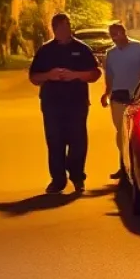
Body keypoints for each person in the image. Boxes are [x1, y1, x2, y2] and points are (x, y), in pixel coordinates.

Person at [28, 12, 101, 194]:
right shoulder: (45, 51)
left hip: (76, 103)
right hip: (52, 104)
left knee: (78, 142)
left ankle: (77, 177)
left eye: (67, 26)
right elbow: (34, 77)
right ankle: (58, 180)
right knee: (55, 142)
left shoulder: (82, 49)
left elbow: (95, 74)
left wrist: (75, 75)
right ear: (54, 30)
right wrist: (49, 75)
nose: (64, 30)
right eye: (60, 27)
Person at [100, 22, 140, 180]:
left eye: (117, 34)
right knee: (121, 133)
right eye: (112, 35)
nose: (115, 38)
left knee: (138, 134)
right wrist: (106, 93)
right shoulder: (111, 54)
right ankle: (122, 166)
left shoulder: (139, 49)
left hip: (136, 97)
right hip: (117, 96)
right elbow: (109, 75)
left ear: (124, 33)